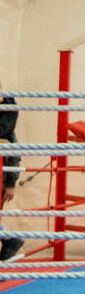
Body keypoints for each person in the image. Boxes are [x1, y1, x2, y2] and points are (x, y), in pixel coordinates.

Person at [0, 87, 24, 263]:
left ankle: (10, 240)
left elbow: (14, 153)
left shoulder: (7, 125)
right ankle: (10, 239)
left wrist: (10, 184)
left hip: (2, 176)